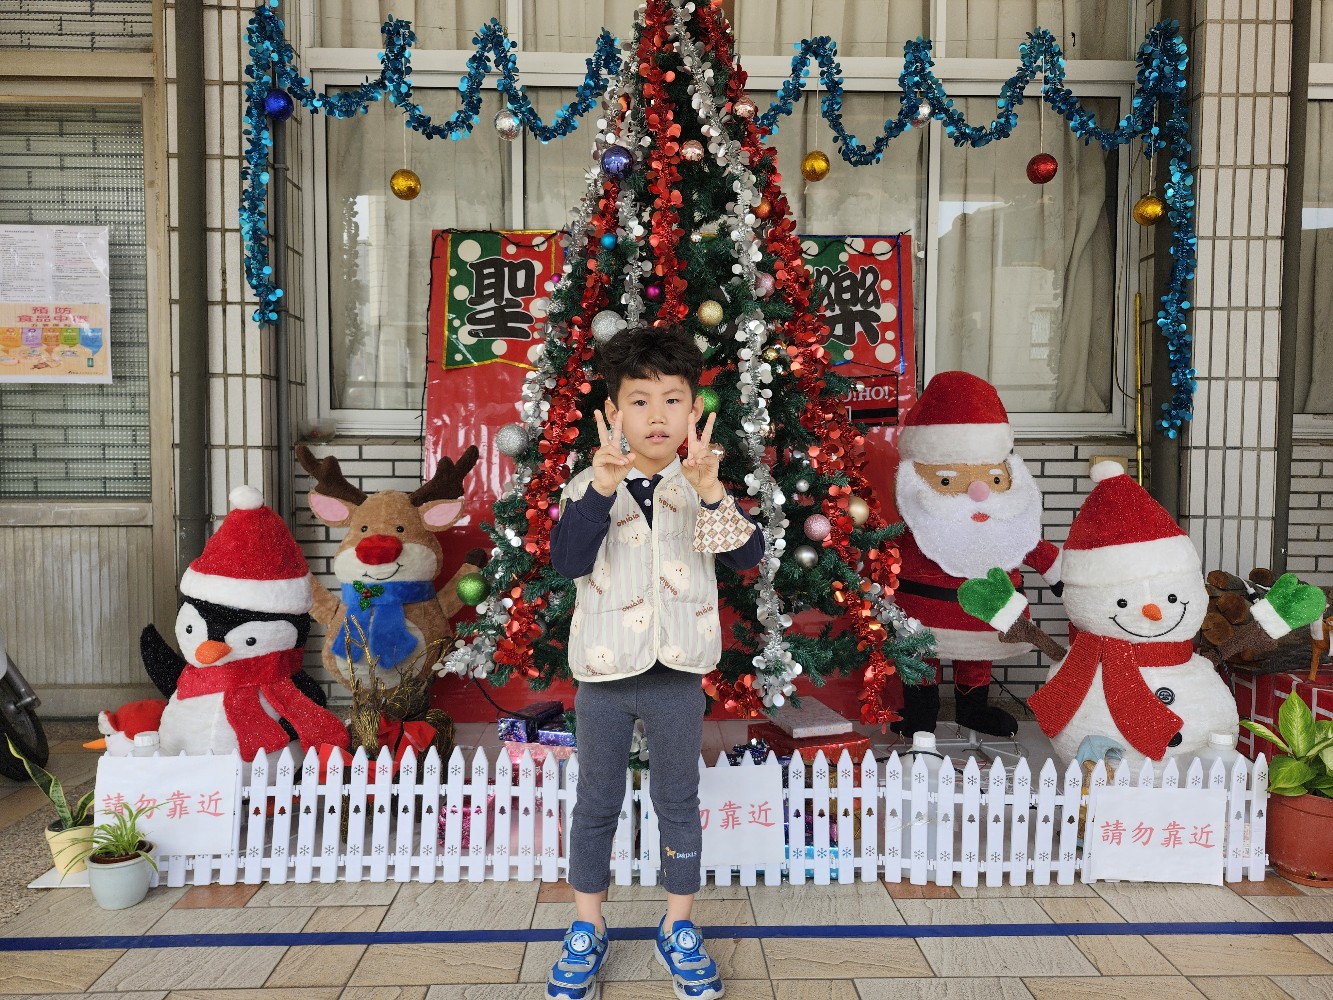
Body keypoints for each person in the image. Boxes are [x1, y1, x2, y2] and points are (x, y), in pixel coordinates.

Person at [546, 325, 762, 1000]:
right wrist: (599, 491)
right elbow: (567, 562)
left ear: (695, 409)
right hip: (604, 674)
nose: (657, 415)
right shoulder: (586, 485)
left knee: (677, 800)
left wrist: (711, 494)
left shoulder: (701, 484)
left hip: (677, 673)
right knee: (596, 801)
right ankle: (586, 927)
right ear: (613, 411)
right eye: (640, 401)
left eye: (673, 399)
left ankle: (678, 925)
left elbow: (747, 559)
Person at [891, 371, 1062, 738]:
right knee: (920, 653)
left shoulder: (1007, 520)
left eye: (994, 479)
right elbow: (887, 550)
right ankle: (921, 716)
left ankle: (972, 710)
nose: (979, 492)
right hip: (923, 611)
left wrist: (1060, 574)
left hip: (987, 612)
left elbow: (1031, 544)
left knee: (977, 657)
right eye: (948, 481)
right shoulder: (918, 521)